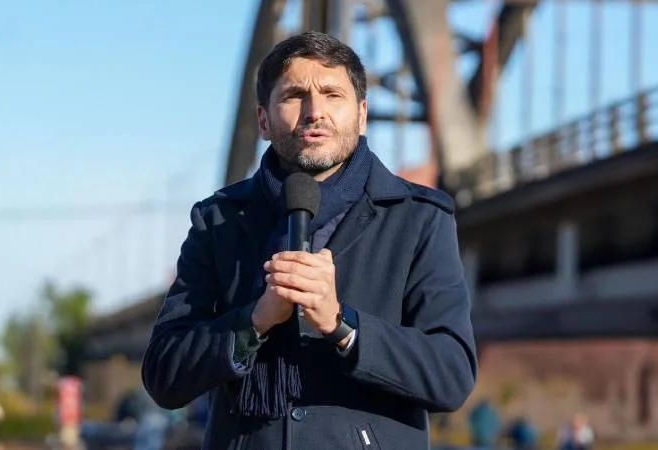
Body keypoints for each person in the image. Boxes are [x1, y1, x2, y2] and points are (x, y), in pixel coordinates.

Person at [141, 31, 477, 450]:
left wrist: (342, 324)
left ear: (362, 115)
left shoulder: (419, 219)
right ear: (263, 120)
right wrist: (254, 321)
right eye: (294, 95)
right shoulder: (218, 220)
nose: (315, 112)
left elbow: (452, 375)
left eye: (333, 95)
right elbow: (164, 375)